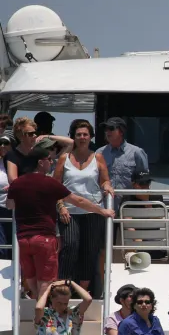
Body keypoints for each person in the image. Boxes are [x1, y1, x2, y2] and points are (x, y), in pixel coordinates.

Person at [6, 146, 114, 299]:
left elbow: (10, 205)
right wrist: (102, 211)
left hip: (23, 238)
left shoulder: (17, 183)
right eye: (49, 159)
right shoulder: (49, 183)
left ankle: (38, 304)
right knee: (46, 278)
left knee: (31, 275)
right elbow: (78, 200)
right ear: (40, 162)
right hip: (44, 238)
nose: (52, 162)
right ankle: (42, 309)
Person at [54, 120, 113, 289]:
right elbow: (55, 186)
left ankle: (83, 291)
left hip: (93, 211)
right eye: (78, 134)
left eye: (85, 134)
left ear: (91, 137)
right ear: (73, 136)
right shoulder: (64, 158)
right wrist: (61, 206)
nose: (82, 137)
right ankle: (63, 288)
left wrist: (107, 186)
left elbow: (104, 180)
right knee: (70, 247)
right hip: (69, 211)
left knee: (89, 251)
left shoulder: (98, 157)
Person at [96, 117, 149, 211]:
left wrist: (146, 205)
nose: (107, 132)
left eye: (111, 128)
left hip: (129, 207)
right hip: (105, 207)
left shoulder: (137, 152)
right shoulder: (99, 153)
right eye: (106, 129)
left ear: (121, 131)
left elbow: (144, 182)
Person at [5, 117, 67, 181]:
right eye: (31, 134)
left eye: (35, 133)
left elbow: (70, 143)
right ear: (20, 136)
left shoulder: (39, 152)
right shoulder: (12, 155)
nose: (34, 135)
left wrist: (47, 136)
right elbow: (13, 180)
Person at [0, 135, 13, 260]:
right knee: (2, 246)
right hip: (0, 208)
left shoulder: (15, 163)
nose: (2, 146)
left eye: (6, 143)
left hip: (13, 208)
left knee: (13, 242)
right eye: (0, 143)